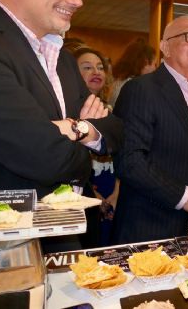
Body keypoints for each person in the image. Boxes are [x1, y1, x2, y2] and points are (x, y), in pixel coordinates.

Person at [0, 0, 122, 200]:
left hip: (70, 233)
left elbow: (116, 132)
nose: (77, 0)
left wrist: (73, 128)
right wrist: (84, 128)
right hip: (13, 236)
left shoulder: (64, 60)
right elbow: (43, 155)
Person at [112, 15, 188, 244]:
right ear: (165, 47)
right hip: (148, 227)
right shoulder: (141, 90)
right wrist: (184, 197)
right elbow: (130, 161)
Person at [73, 47, 119, 246]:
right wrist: (94, 195)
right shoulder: (66, 112)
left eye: (100, 67)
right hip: (85, 192)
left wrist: (117, 191)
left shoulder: (110, 111)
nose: (96, 72)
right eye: (87, 67)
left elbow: (124, 154)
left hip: (113, 190)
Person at [108, 38, 156, 107]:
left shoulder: (121, 80)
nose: (155, 69)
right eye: (154, 64)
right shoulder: (135, 86)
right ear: (145, 63)